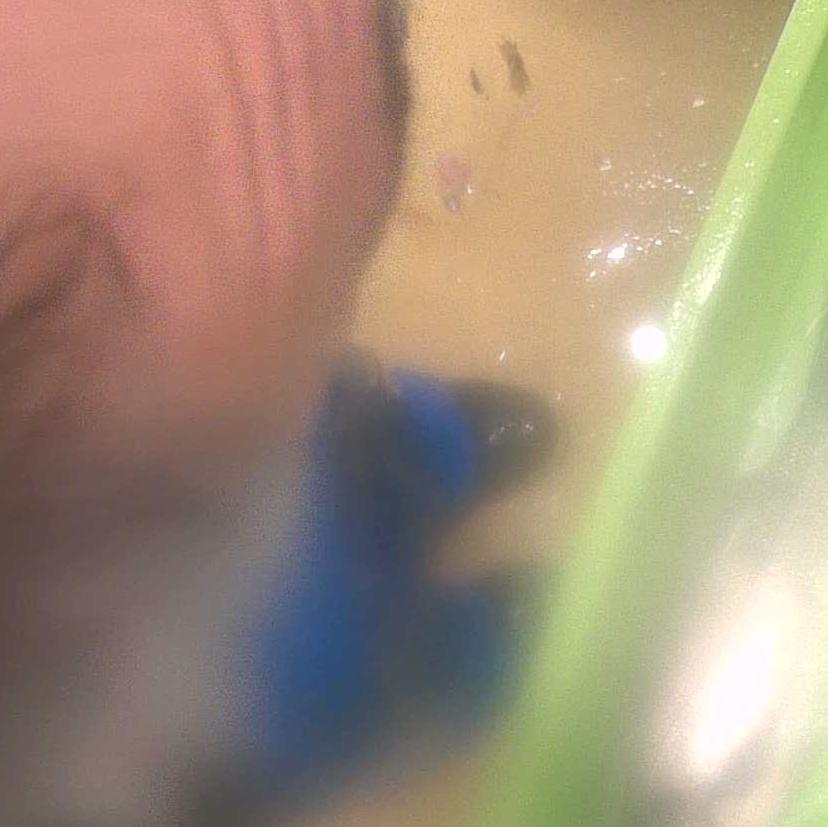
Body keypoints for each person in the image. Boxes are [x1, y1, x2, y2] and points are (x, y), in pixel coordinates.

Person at [0, 2, 533, 822]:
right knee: (375, 674)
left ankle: (430, 450)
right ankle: (467, 647)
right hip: (278, 699)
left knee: (340, 443)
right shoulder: (174, 755)